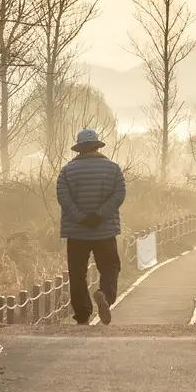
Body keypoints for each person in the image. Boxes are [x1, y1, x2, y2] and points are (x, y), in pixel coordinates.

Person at [56, 128, 125, 325]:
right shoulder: (113, 169)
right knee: (110, 267)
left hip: (77, 232)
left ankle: (83, 314)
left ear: (79, 149)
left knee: (77, 274)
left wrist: (81, 217)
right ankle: (105, 296)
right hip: (105, 230)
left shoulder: (67, 171)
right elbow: (119, 195)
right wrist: (100, 215)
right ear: (97, 146)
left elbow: (63, 198)